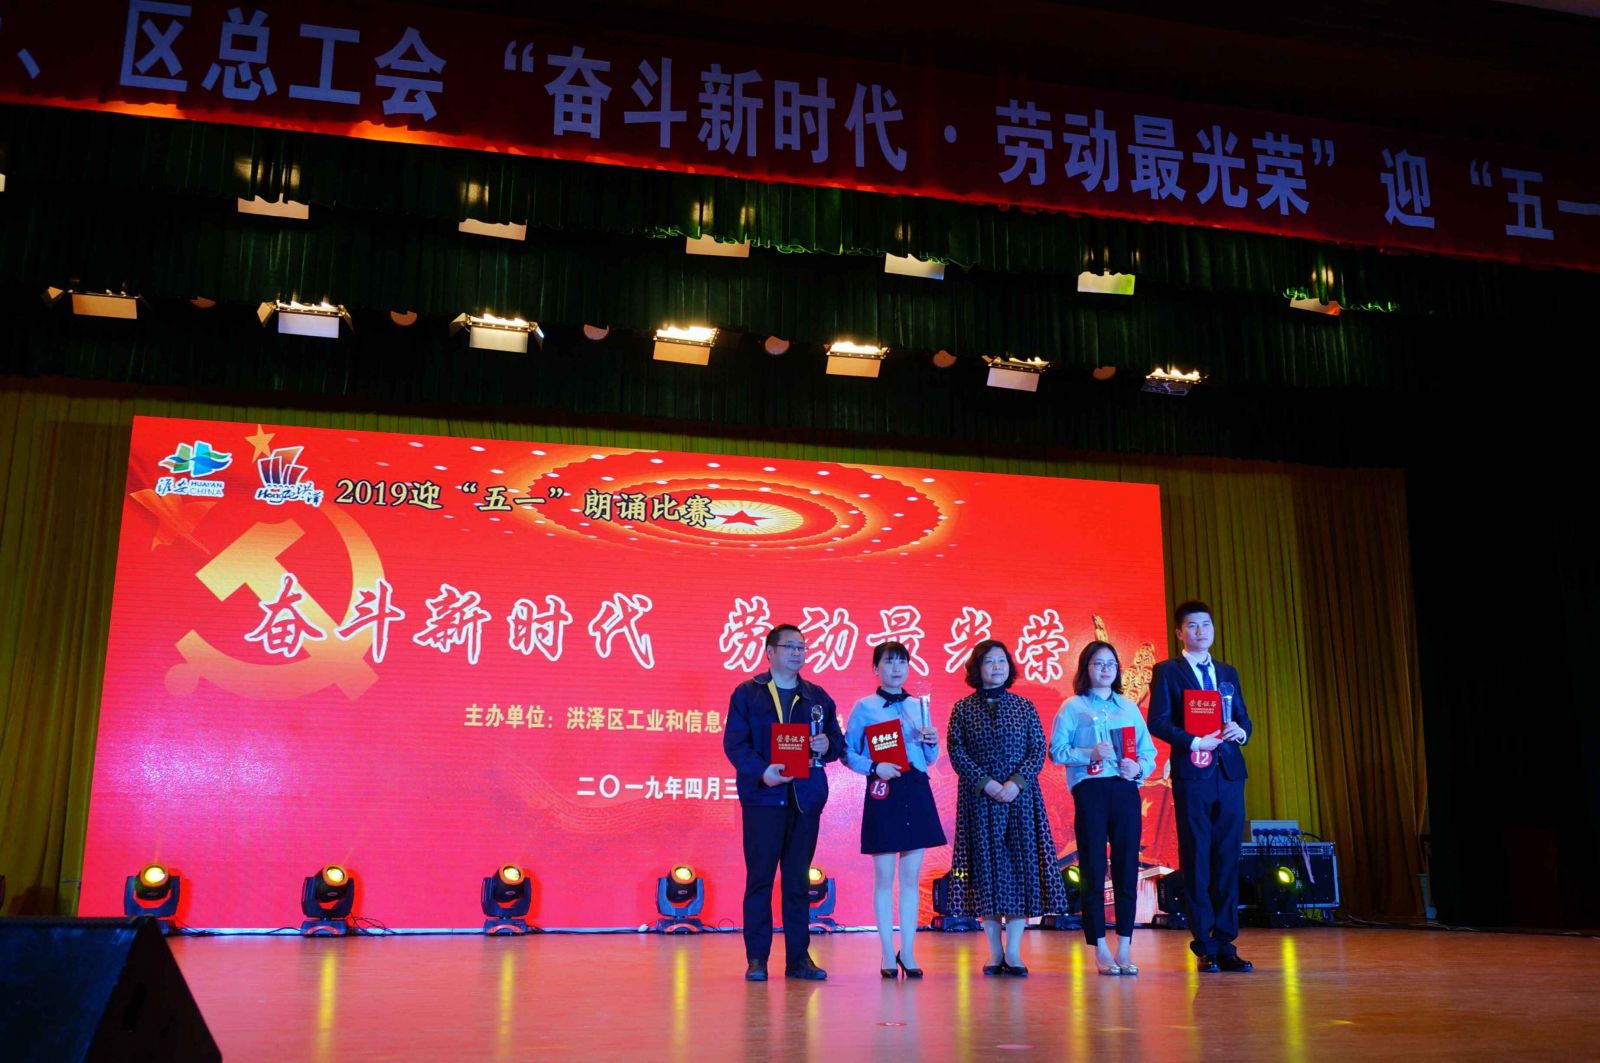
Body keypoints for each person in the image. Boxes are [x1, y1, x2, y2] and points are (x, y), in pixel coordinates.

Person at [723, 624, 845, 982]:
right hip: (763, 798)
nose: (797, 653)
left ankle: (798, 959)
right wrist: (764, 771)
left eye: (802, 647)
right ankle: (757, 959)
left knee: (797, 882)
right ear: (770, 651)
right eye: (790, 646)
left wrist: (827, 745)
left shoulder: (817, 696)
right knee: (760, 880)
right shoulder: (748, 693)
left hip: (805, 800)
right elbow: (735, 744)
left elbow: (836, 743)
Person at [944, 640, 1067, 976]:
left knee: (1018, 872)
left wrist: (1015, 783)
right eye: (989, 661)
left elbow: (1037, 749)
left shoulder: (1024, 706)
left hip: (1020, 800)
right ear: (977, 668)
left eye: (1001, 661)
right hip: (980, 800)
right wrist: (987, 783)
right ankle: (994, 951)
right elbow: (956, 751)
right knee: (986, 873)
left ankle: (1013, 951)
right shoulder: (962, 709)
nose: (996, 667)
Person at [1148, 600, 1254, 973]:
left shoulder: (1227, 672)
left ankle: (1226, 942)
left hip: (1229, 772)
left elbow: (1243, 718)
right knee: (1197, 855)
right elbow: (1158, 721)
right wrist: (1194, 742)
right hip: (1193, 773)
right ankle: (1204, 943)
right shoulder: (1168, 672)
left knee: (1227, 856)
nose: (1200, 631)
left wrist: (1241, 732)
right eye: (1192, 626)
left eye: (1205, 625)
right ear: (1180, 632)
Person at [1050, 641, 1157, 975]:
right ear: (1086, 668)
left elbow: (1149, 753)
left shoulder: (1128, 708)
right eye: (1098, 663)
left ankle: (1124, 945)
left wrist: (1137, 768)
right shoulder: (1072, 707)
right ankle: (1099, 947)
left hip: (1125, 789)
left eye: (1111, 663)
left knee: (1127, 867)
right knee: (1093, 868)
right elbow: (1056, 751)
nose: (1106, 669)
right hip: (1091, 790)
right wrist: (1089, 754)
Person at [842, 641, 947, 978]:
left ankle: (909, 952)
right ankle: (888, 953)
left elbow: (930, 758)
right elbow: (847, 752)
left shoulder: (919, 706)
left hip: (916, 788)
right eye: (889, 662)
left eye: (902, 662)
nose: (896, 668)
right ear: (876, 668)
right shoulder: (864, 707)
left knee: (911, 879)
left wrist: (932, 742)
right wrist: (875, 767)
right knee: (885, 878)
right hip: (884, 789)